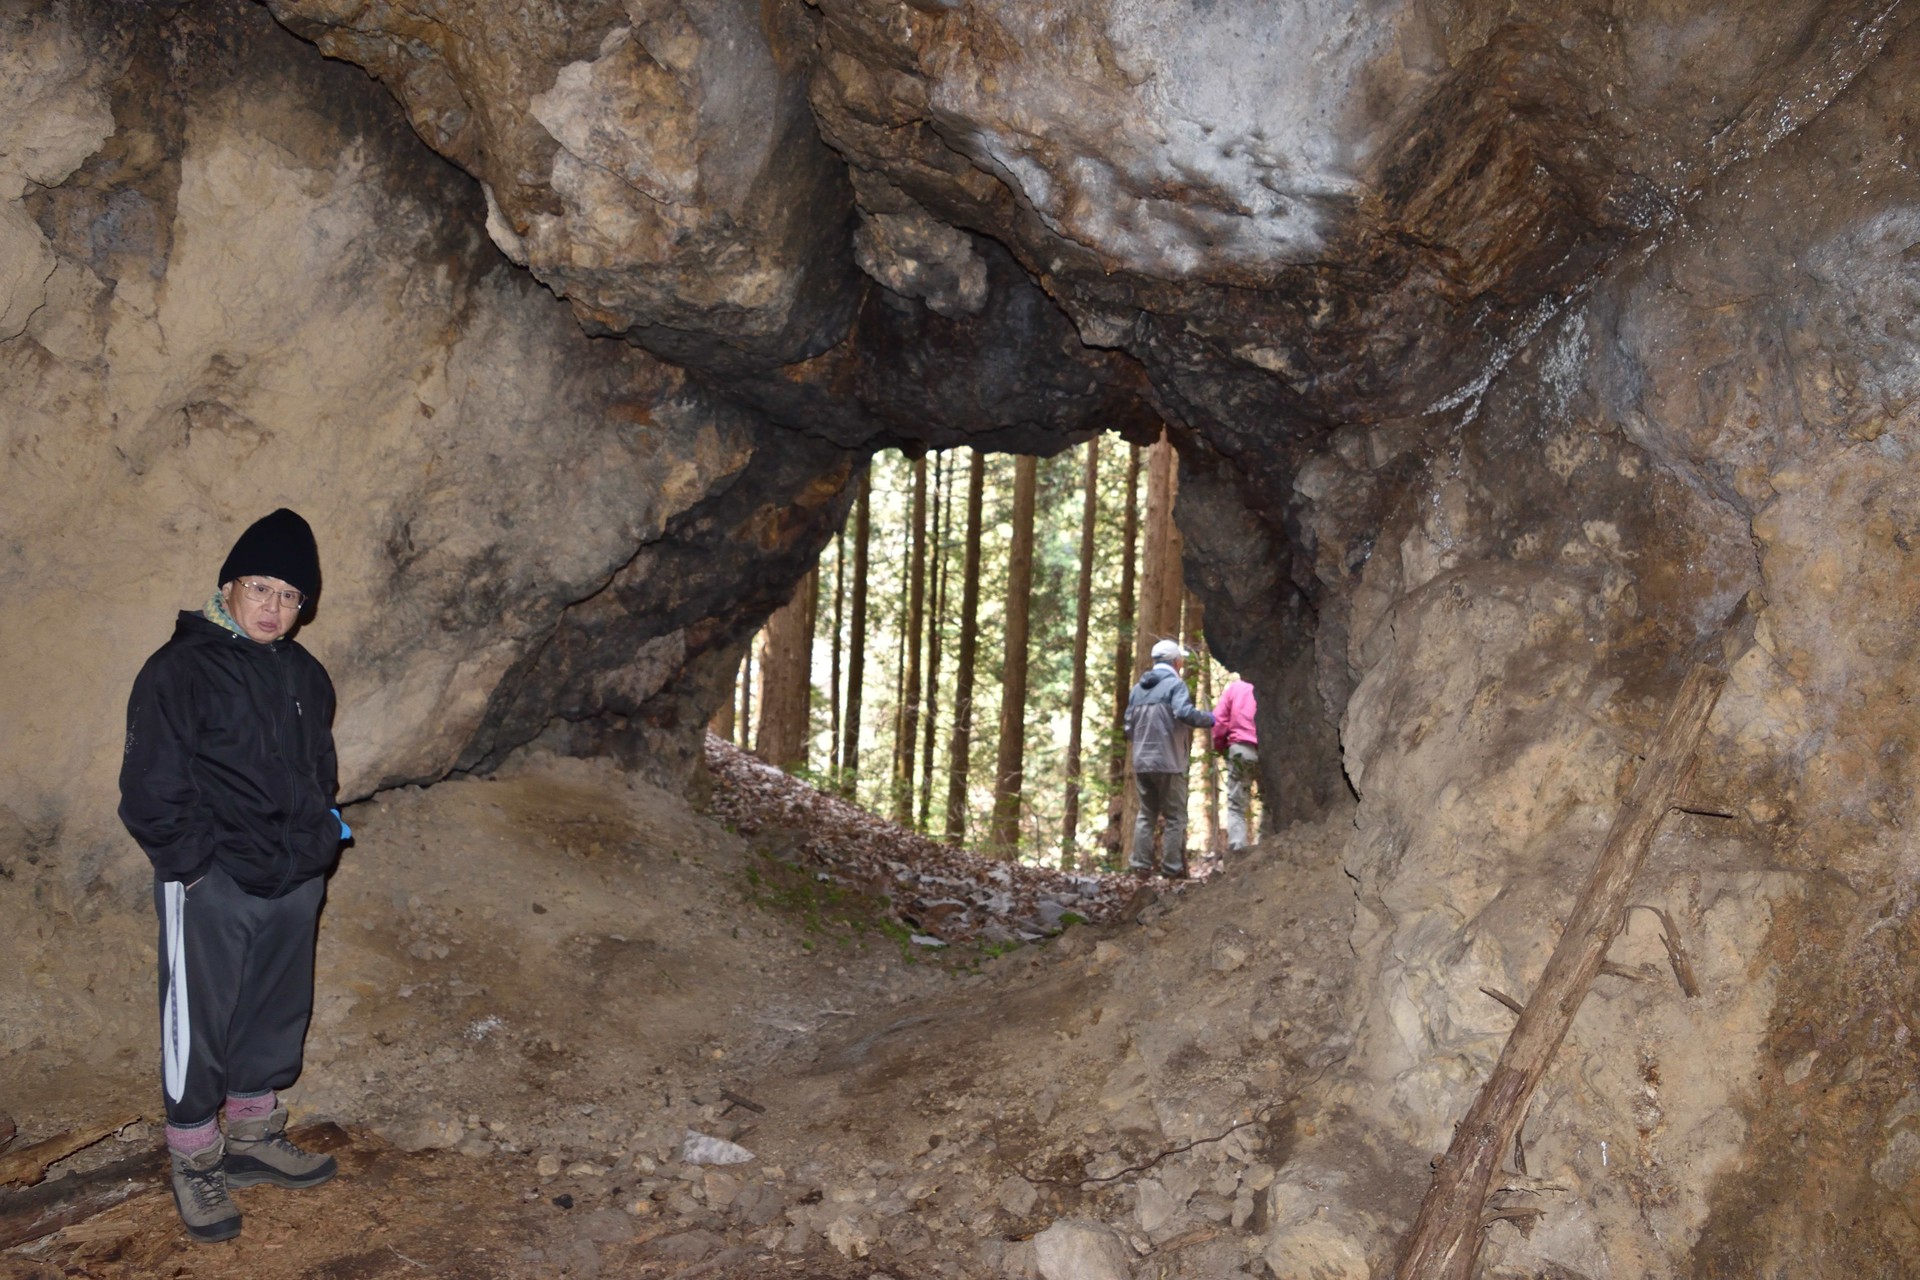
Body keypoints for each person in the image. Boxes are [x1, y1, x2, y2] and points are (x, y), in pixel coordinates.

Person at [119, 508, 349, 1243]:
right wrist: (193, 869)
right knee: (201, 1021)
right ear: (229, 586)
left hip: (292, 874)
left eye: (290, 596)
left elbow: (320, 772)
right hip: (212, 880)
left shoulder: (306, 676)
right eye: (261, 589)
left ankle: (251, 1138)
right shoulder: (179, 669)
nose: (274, 608)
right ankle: (194, 1157)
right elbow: (150, 786)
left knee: (274, 1009)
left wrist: (320, 843)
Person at [1124, 638, 1215, 879]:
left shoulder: (1137, 689)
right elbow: (1184, 713)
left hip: (1142, 762)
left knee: (1146, 814)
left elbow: (1127, 728)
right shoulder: (1176, 685)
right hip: (1168, 761)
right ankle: (1171, 870)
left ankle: (1140, 867)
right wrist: (1212, 719)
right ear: (1176, 662)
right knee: (1175, 817)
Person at [1211, 676, 1259, 852]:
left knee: (1236, 806)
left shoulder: (1235, 689)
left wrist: (1221, 748)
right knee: (1270, 803)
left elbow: (1219, 722)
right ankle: (1268, 848)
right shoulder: (1270, 687)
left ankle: (1238, 853)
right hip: (1267, 751)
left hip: (1240, 750)